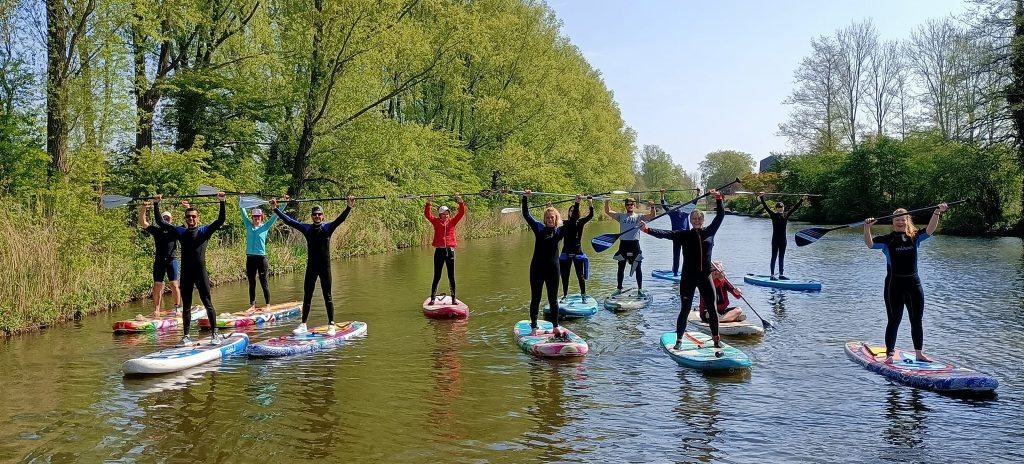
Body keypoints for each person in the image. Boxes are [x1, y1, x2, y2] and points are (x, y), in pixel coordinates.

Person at [863, 202, 948, 364]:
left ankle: (919, 353)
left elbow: (930, 230)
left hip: (914, 284)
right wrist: (867, 228)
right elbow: (870, 244)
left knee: (916, 319)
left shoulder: (915, 237)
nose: (900, 222)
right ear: (892, 222)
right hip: (894, 285)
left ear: (907, 220)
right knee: (894, 319)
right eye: (897, 220)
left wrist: (937, 212)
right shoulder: (887, 240)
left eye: (903, 220)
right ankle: (889, 355)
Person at [641, 190, 725, 350]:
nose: (697, 220)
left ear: (703, 219)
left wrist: (718, 198)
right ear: (691, 220)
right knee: (685, 309)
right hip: (688, 278)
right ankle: (679, 340)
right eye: (694, 218)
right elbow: (665, 234)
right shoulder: (684, 235)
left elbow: (720, 216)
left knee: (713, 309)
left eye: (700, 218)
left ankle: (716, 340)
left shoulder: (710, 231)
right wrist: (647, 230)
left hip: (705, 277)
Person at [270, 195, 354, 336]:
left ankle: (331, 325)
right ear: (312, 216)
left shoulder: (328, 228)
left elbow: (341, 219)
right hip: (311, 268)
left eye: (319, 214)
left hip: (325, 268)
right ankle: (303, 324)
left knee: (327, 295)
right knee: (307, 295)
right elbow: (289, 221)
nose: (317, 216)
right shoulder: (307, 228)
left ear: (323, 216)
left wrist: (349, 207)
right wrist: (275, 209)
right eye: (314, 214)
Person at [153, 192, 227, 346]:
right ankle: (186, 336)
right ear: (185, 218)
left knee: (207, 302)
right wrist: (156, 204)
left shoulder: (204, 231)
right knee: (186, 306)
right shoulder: (181, 232)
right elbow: (161, 222)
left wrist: (222, 201)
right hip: (186, 274)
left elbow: (220, 220)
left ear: (197, 217)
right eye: (188, 217)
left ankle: (214, 333)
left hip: (201, 273)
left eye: (193, 216)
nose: (191, 219)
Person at [521, 190, 567, 338]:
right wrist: (525, 198)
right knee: (536, 297)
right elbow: (526, 215)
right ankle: (533, 326)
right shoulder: (539, 228)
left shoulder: (560, 232)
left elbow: (573, 221)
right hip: (537, 268)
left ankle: (555, 326)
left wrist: (578, 202)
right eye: (547, 217)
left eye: (552, 217)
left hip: (553, 269)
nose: (549, 219)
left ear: (556, 218)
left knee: (553, 298)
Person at [603, 197, 657, 293]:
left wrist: (652, 207)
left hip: (635, 245)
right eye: (628, 205)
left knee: (638, 267)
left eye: (631, 204)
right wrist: (607, 201)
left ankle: (640, 289)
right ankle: (619, 288)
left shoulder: (639, 217)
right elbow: (608, 211)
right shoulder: (621, 216)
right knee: (621, 267)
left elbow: (652, 216)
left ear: (634, 205)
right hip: (623, 245)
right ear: (626, 206)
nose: (630, 206)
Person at [139, 202, 182, 317]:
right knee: (157, 285)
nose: (166, 220)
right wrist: (144, 208)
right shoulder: (156, 230)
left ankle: (177, 308)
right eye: (164, 218)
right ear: (161, 219)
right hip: (159, 261)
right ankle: (157, 309)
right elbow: (143, 222)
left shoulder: (175, 230)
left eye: (168, 218)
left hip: (172, 260)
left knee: (174, 284)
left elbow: (189, 226)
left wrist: (187, 207)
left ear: (171, 220)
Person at [424, 193, 466, 305]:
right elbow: (427, 215)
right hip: (439, 251)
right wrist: (429, 202)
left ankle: (453, 298)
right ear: (440, 214)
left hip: (450, 252)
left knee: (451, 276)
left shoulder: (452, 222)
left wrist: (460, 200)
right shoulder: (436, 222)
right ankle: (433, 298)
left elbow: (461, 213)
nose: (446, 215)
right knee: (437, 275)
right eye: (444, 214)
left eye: (448, 213)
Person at [757, 193, 807, 280]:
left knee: (781, 257)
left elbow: (794, 208)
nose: (781, 209)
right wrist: (762, 198)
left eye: (782, 207)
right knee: (774, 257)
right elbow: (766, 207)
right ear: (776, 208)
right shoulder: (773, 215)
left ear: (783, 208)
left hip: (783, 241)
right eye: (779, 208)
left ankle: (781, 275)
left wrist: (801, 200)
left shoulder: (786, 215)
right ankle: (772, 275)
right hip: (775, 240)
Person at [240, 200, 278, 312]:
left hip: (261, 258)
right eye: (254, 217)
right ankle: (252, 305)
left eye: (258, 217)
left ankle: (267, 305)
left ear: (262, 217)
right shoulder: (248, 225)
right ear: (252, 218)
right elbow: (243, 211)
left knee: (263, 282)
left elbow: (276, 216)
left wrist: (283, 204)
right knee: (252, 282)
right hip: (250, 258)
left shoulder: (265, 226)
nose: (256, 218)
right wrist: (241, 198)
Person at [559, 194, 594, 301]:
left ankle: (583, 294)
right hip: (566, 252)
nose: (572, 212)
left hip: (578, 252)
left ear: (577, 212)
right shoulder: (564, 223)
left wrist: (590, 202)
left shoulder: (581, 222)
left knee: (580, 276)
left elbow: (591, 215)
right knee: (565, 276)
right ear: (568, 213)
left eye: (574, 210)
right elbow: (552, 221)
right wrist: (549, 208)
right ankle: (565, 295)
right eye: (570, 210)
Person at [661, 188, 694, 276]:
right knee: (676, 256)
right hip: (676, 236)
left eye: (680, 206)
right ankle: (675, 272)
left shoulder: (686, 212)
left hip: (686, 237)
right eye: (678, 206)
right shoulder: (672, 213)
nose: (679, 208)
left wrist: (698, 193)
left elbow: (694, 203)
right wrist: (662, 194)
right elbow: (664, 206)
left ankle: (687, 272)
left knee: (687, 256)